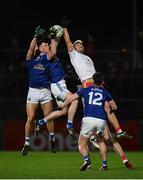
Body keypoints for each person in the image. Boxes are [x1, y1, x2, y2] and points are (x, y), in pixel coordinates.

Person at [60, 17, 131, 139]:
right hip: (87, 86)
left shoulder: (88, 58)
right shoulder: (74, 55)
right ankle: (92, 134)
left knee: (108, 107)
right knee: (91, 111)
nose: (80, 45)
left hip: (98, 85)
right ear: (74, 48)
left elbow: (95, 73)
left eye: (81, 44)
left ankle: (119, 131)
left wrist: (102, 83)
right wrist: (64, 28)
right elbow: (68, 42)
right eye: (77, 44)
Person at [61, 72, 122, 171]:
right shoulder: (105, 92)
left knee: (82, 144)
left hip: (89, 119)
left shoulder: (86, 89)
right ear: (102, 81)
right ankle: (104, 165)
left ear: (93, 81)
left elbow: (71, 98)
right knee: (101, 142)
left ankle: (86, 160)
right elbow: (114, 107)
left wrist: (63, 106)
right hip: (101, 121)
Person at [21, 26, 58, 156]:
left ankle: (52, 139)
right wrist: (36, 37)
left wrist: (53, 38)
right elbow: (31, 49)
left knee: (48, 117)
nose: (47, 46)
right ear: (40, 48)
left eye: (48, 44)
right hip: (33, 91)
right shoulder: (31, 60)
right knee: (30, 118)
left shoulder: (47, 58)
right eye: (45, 44)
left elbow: (53, 52)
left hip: (45, 91)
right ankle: (26, 144)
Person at [35, 54, 78, 137]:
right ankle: (69, 125)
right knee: (74, 100)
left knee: (63, 111)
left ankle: (40, 122)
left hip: (58, 86)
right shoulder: (49, 62)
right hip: (58, 85)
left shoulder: (53, 64)